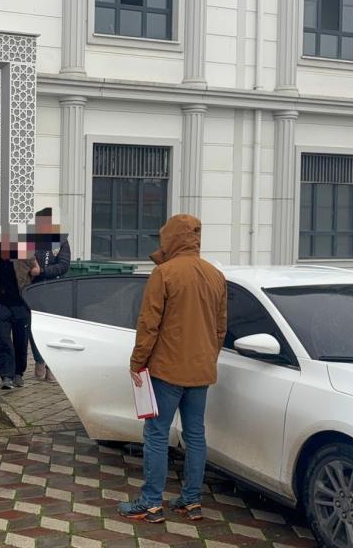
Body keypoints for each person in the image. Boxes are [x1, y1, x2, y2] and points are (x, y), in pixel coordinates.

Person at [118, 214, 227, 523]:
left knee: (156, 434)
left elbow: (148, 325)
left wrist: (137, 362)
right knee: (195, 436)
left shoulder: (164, 273)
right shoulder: (216, 276)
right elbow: (220, 329)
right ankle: (192, 501)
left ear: (171, 238)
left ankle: (151, 502)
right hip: (201, 372)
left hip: (166, 370)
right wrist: (207, 358)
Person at [0, 228, 39, 390]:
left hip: (21, 304)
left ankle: (18, 373)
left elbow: (36, 269)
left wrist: (33, 271)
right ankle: (6, 376)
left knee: (20, 340)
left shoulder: (24, 254)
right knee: (3, 340)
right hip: (1, 304)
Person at [28, 208, 70, 382]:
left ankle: (52, 366)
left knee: (53, 330)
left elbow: (64, 265)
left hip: (54, 292)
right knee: (33, 328)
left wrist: (43, 271)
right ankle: (39, 360)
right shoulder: (30, 240)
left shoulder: (61, 241)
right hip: (34, 291)